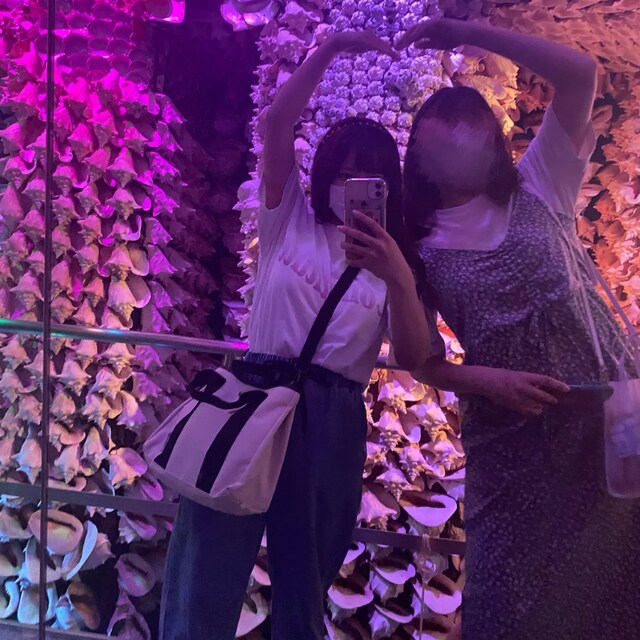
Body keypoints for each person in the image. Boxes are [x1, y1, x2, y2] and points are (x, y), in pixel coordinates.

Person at [159, 31, 431, 640]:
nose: (353, 185)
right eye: (344, 173)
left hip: (331, 416)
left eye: (370, 178)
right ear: (325, 173)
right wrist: (330, 49)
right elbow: (277, 122)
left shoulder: (395, 261)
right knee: (206, 563)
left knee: (304, 584)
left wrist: (397, 274)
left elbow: (415, 358)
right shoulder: (291, 219)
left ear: (388, 187)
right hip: (253, 397)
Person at [398, 18, 640, 640]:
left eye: (473, 136)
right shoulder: (418, 243)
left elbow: (579, 74)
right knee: (509, 600)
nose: (462, 152)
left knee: (618, 588)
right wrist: (490, 381)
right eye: (444, 143)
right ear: (419, 157)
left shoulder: (538, 183)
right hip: (512, 440)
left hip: (606, 423)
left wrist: (466, 29)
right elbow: (422, 360)